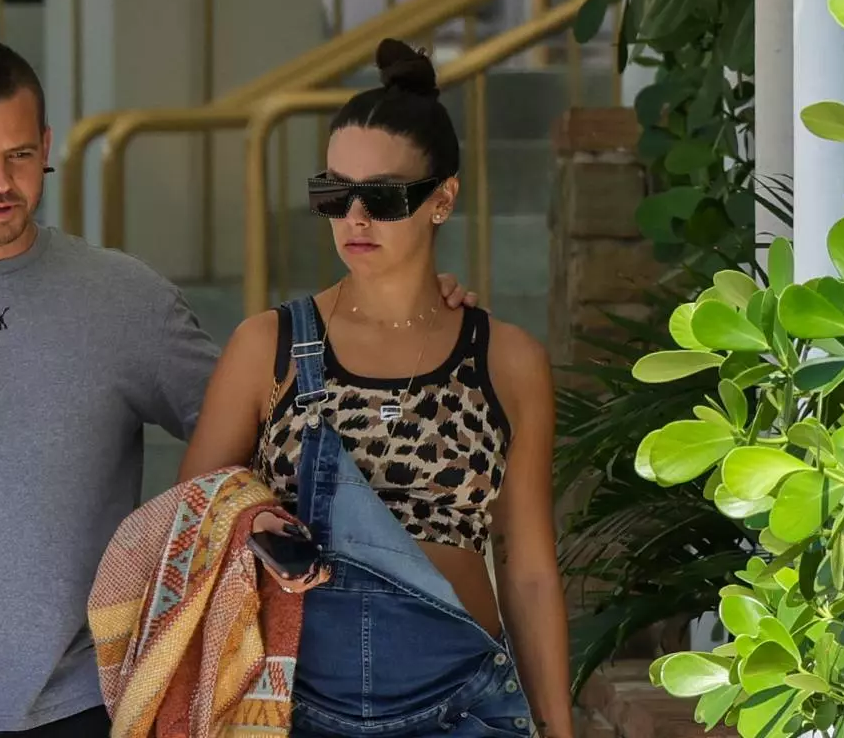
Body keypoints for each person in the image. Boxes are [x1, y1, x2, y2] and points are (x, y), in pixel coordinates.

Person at [0, 21, 481, 738]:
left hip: (91, 702)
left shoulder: (123, 298)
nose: (0, 181)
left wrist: (411, 312)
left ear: (47, 145)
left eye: (20, 155)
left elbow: (268, 426)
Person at [176, 39, 572, 738]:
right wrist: (253, 522)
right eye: (334, 193)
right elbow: (193, 523)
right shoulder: (267, 346)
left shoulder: (508, 360)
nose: (354, 218)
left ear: (442, 199)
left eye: (383, 197)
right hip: (292, 708)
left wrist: (558, 729)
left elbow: (530, 571)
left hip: (461, 707)